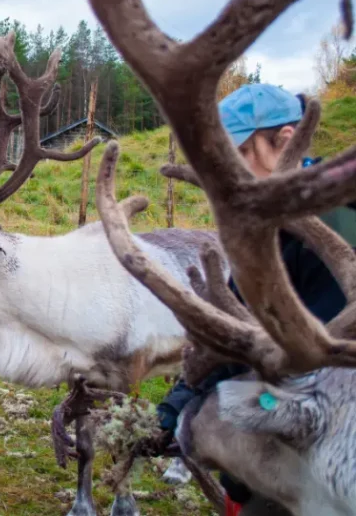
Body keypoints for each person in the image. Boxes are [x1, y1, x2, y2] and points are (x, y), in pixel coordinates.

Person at [156, 84, 356, 516]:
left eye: (239, 157)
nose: (227, 180)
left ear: (286, 141)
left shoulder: (341, 221)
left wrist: (210, 409)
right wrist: (171, 410)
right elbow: (235, 330)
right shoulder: (268, 225)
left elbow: (309, 364)